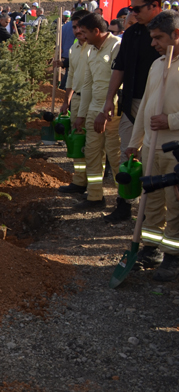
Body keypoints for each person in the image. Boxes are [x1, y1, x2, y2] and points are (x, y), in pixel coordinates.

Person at [125, 10, 179, 279]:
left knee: (175, 204)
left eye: (158, 37)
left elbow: (163, 116)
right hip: (151, 149)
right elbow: (145, 105)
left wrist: (170, 120)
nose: (153, 43)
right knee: (151, 202)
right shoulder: (157, 64)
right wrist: (135, 142)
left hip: (175, 150)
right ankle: (151, 248)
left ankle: (173, 255)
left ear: (176, 35)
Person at [101, 0, 162, 222]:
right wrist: (110, 99)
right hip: (131, 104)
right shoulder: (132, 33)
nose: (132, 13)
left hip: (160, 107)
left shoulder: (168, 32)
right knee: (127, 153)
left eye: (137, 9)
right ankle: (125, 203)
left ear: (155, 5)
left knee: (152, 158)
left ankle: (150, 210)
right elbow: (120, 67)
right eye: (131, 9)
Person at [72, 13, 122, 210]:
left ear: (97, 31)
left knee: (115, 155)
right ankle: (94, 196)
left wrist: (105, 111)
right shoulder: (92, 51)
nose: (81, 36)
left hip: (112, 111)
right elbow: (88, 85)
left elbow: (120, 84)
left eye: (84, 32)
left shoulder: (117, 47)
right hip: (94, 111)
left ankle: (124, 200)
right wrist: (82, 115)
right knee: (92, 153)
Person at [58, 10, 94, 196]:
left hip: (93, 101)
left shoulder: (94, 48)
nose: (78, 30)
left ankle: (95, 183)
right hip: (77, 100)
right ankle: (79, 181)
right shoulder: (73, 49)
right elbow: (71, 76)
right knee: (76, 140)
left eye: (81, 26)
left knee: (93, 144)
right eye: (74, 27)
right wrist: (67, 101)